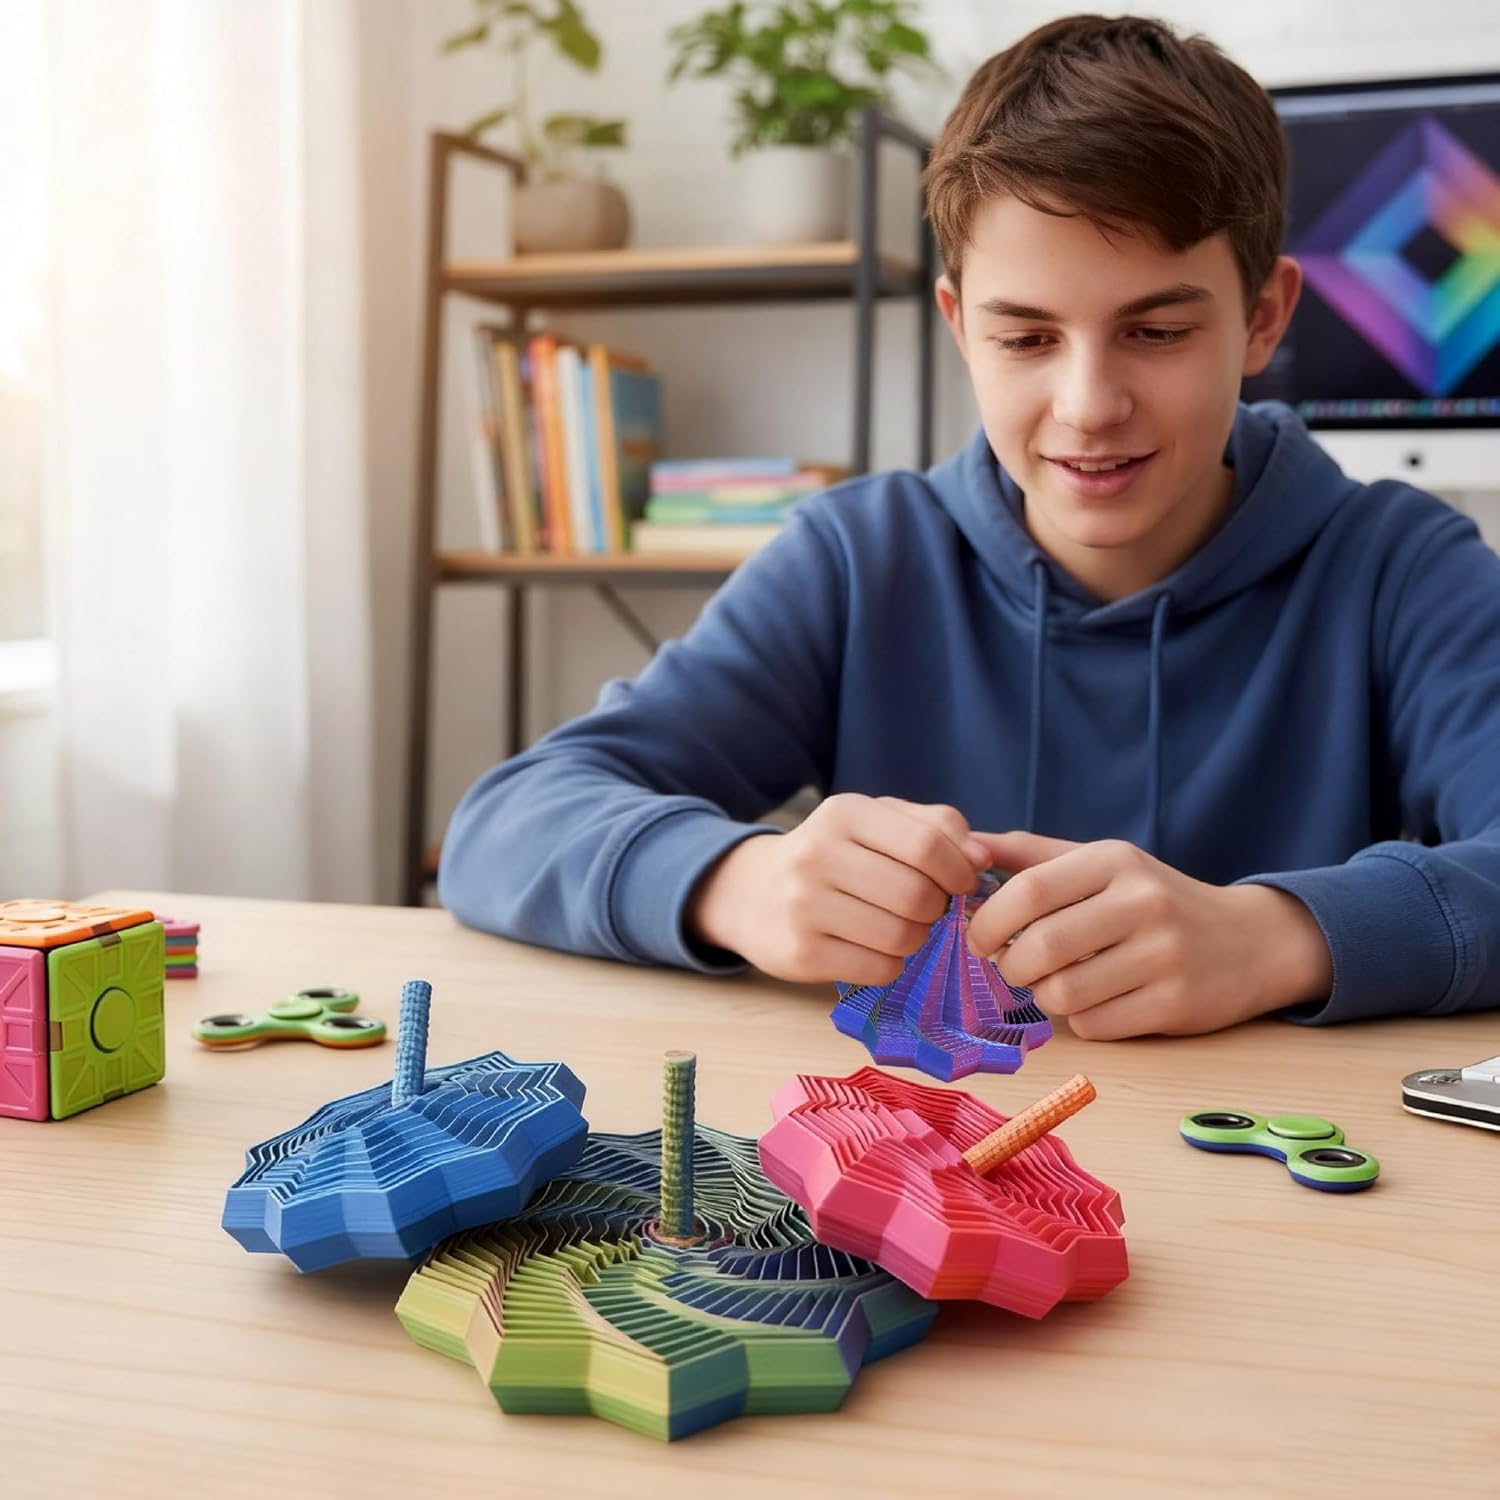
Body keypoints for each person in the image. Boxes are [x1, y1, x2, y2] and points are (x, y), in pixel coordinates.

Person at [438, 13, 1500, 1038]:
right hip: (927, 1142)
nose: (1089, 405)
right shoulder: (857, 562)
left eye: (1158, 331)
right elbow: (508, 822)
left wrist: (1273, 937)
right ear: (959, 325)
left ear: (1263, 317)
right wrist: (740, 881)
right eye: (1027, 338)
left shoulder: (1401, 569)